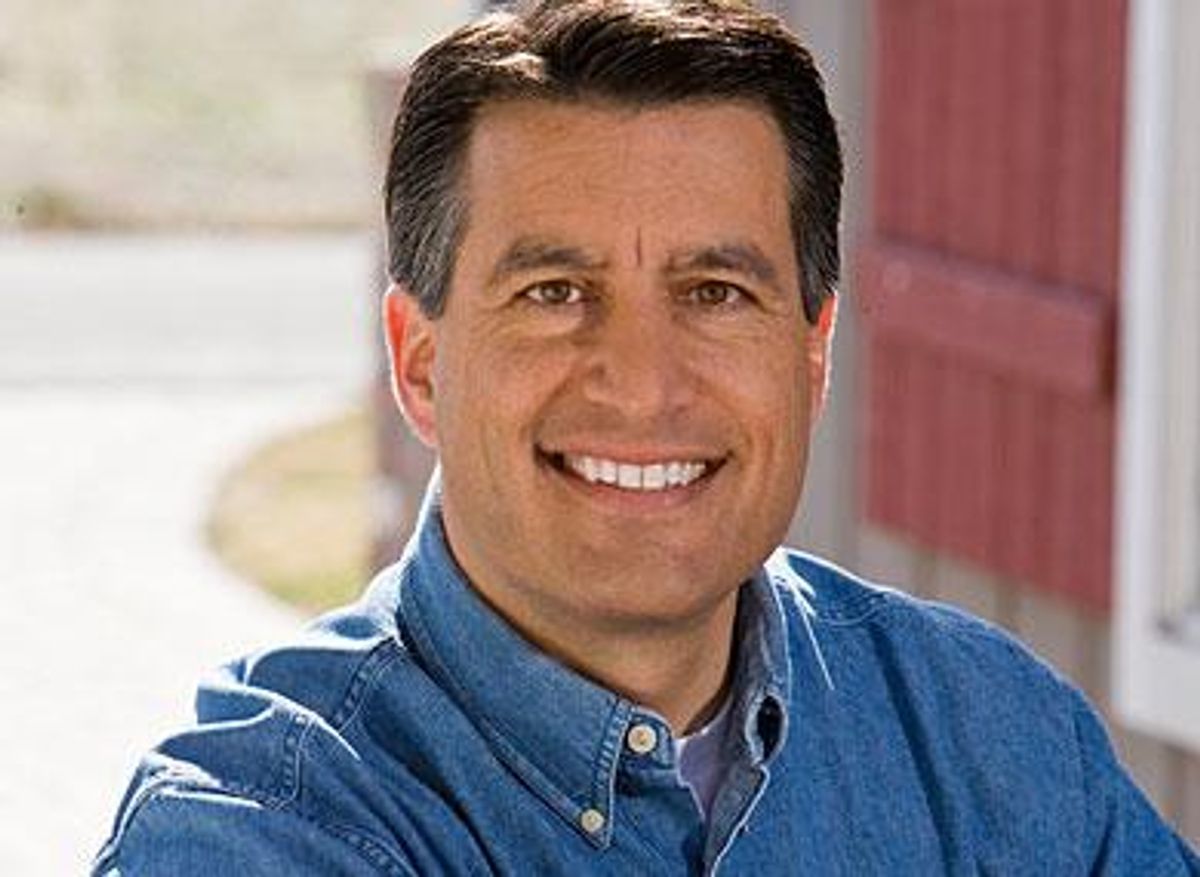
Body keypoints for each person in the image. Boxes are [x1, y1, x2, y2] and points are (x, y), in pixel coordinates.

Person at [94, 1, 1199, 874]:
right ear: (421, 364)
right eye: (554, 291)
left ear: (812, 355)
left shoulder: (989, 741)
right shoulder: (260, 831)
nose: (642, 382)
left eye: (715, 292)